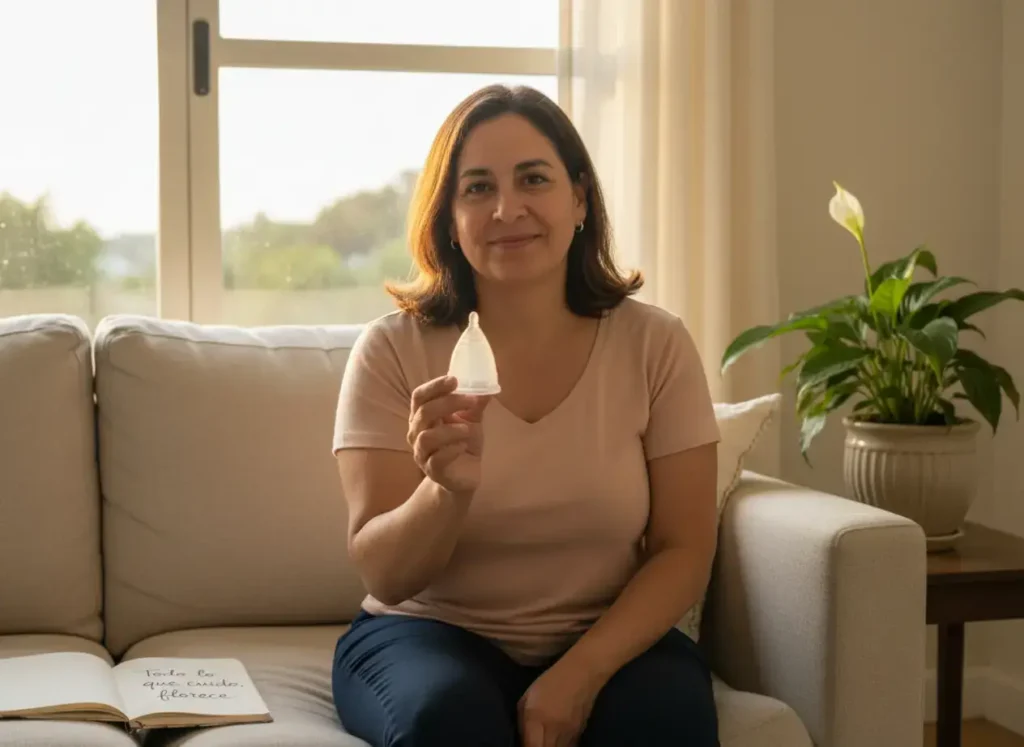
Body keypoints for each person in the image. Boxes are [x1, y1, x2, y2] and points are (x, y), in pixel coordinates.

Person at [330, 84, 721, 747]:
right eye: (478, 188)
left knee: (665, 721)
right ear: (449, 218)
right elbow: (384, 575)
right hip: (427, 632)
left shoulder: (656, 344)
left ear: (579, 199)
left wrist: (579, 675)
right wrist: (445, 490)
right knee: (446, 718)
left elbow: (684, 548)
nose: (507, 209)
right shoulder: (392, 349)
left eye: (533, 179)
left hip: (605, 634)